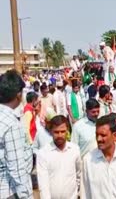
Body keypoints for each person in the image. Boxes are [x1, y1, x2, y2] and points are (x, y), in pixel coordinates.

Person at [0, 70, 33, 199]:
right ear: (19, 95)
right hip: (9, 190)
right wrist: (27, 196)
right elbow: (17, 169)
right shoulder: (12, 124)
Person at [37, 115, 81, 199]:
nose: (60, 135)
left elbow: (78, 174)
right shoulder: (43, 153)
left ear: (67, 130)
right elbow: (43, 184)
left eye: (63, 131)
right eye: (56, 132)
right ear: (50, 132)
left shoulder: (75, 149)